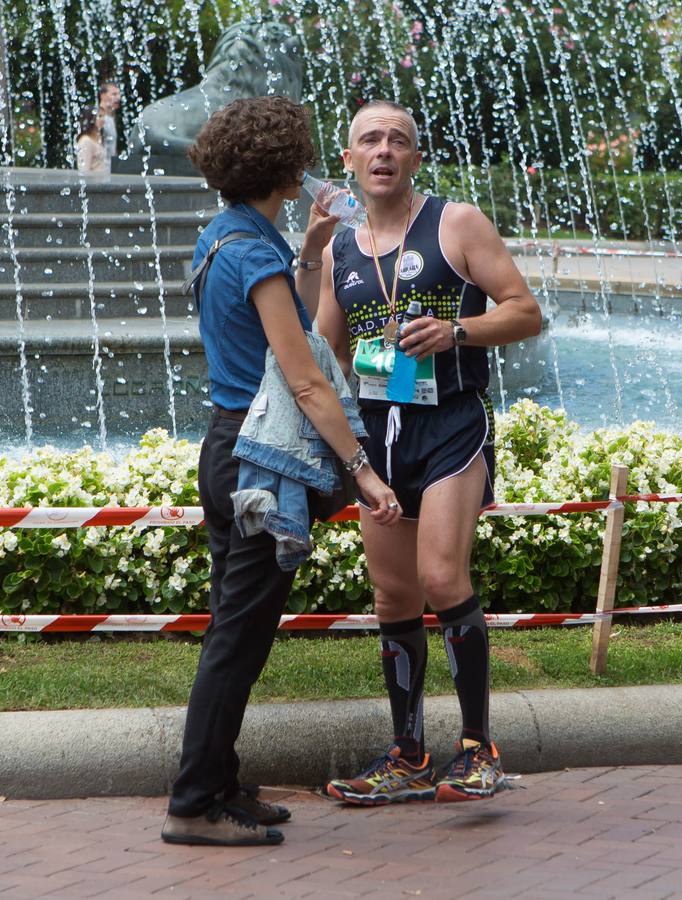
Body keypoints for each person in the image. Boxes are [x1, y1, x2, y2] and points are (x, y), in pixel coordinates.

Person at [160, 96, 402, 847]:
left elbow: (286, 323)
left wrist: (309, 250)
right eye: (299, 160)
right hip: (260, 460)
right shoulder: (252, 252)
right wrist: (362, 469)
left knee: (236, 628)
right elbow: (304, 378)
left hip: (225, 448)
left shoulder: (224, 237)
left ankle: (221, 782)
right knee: (239, 635)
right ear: (285, 171)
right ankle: (195, 801)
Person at [318, 100, 542, 805]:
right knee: (393, 593)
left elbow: (526, 311)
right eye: (368, 141)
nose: (383, 150)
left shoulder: (455, 222)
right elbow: (325, 351)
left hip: (449, 427)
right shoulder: (339, 250)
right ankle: (408, 755)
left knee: (442, 577)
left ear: (416, 157)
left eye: (397, 140)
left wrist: (458, 333)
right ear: (349, 160)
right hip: (380, 439)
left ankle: (478, 748)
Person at [74, 111, 108, 176]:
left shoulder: (100, 139)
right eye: (99, 116)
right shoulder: (85, 141)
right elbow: (84, 170)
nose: (103, 119)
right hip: (94, 184)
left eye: (103, 116)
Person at [98, 80, 122, 164]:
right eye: (114, 94)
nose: (118, 97)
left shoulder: (111, 118)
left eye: (119, 94)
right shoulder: (97, 118)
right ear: (103, 95)